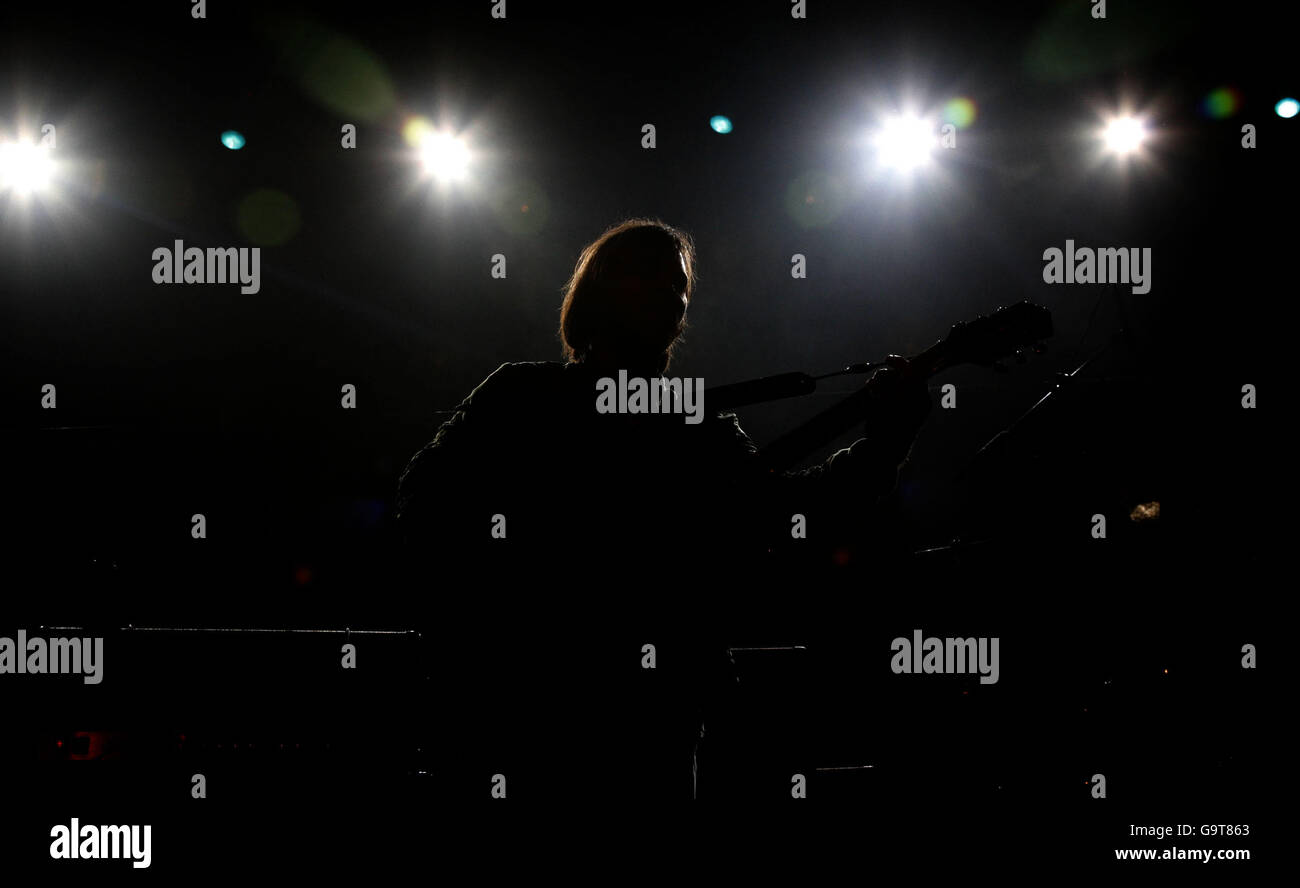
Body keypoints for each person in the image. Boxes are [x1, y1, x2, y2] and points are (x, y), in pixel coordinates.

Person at [396, 218, 931, 803]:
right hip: (520, 706)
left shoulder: (692, 421)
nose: (672, 298)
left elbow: (791, 512)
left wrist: (887, 442)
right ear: (602, 292)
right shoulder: (523, 395)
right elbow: (424, 499)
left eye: (677, 286)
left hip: (646, 717)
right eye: (650, 280)